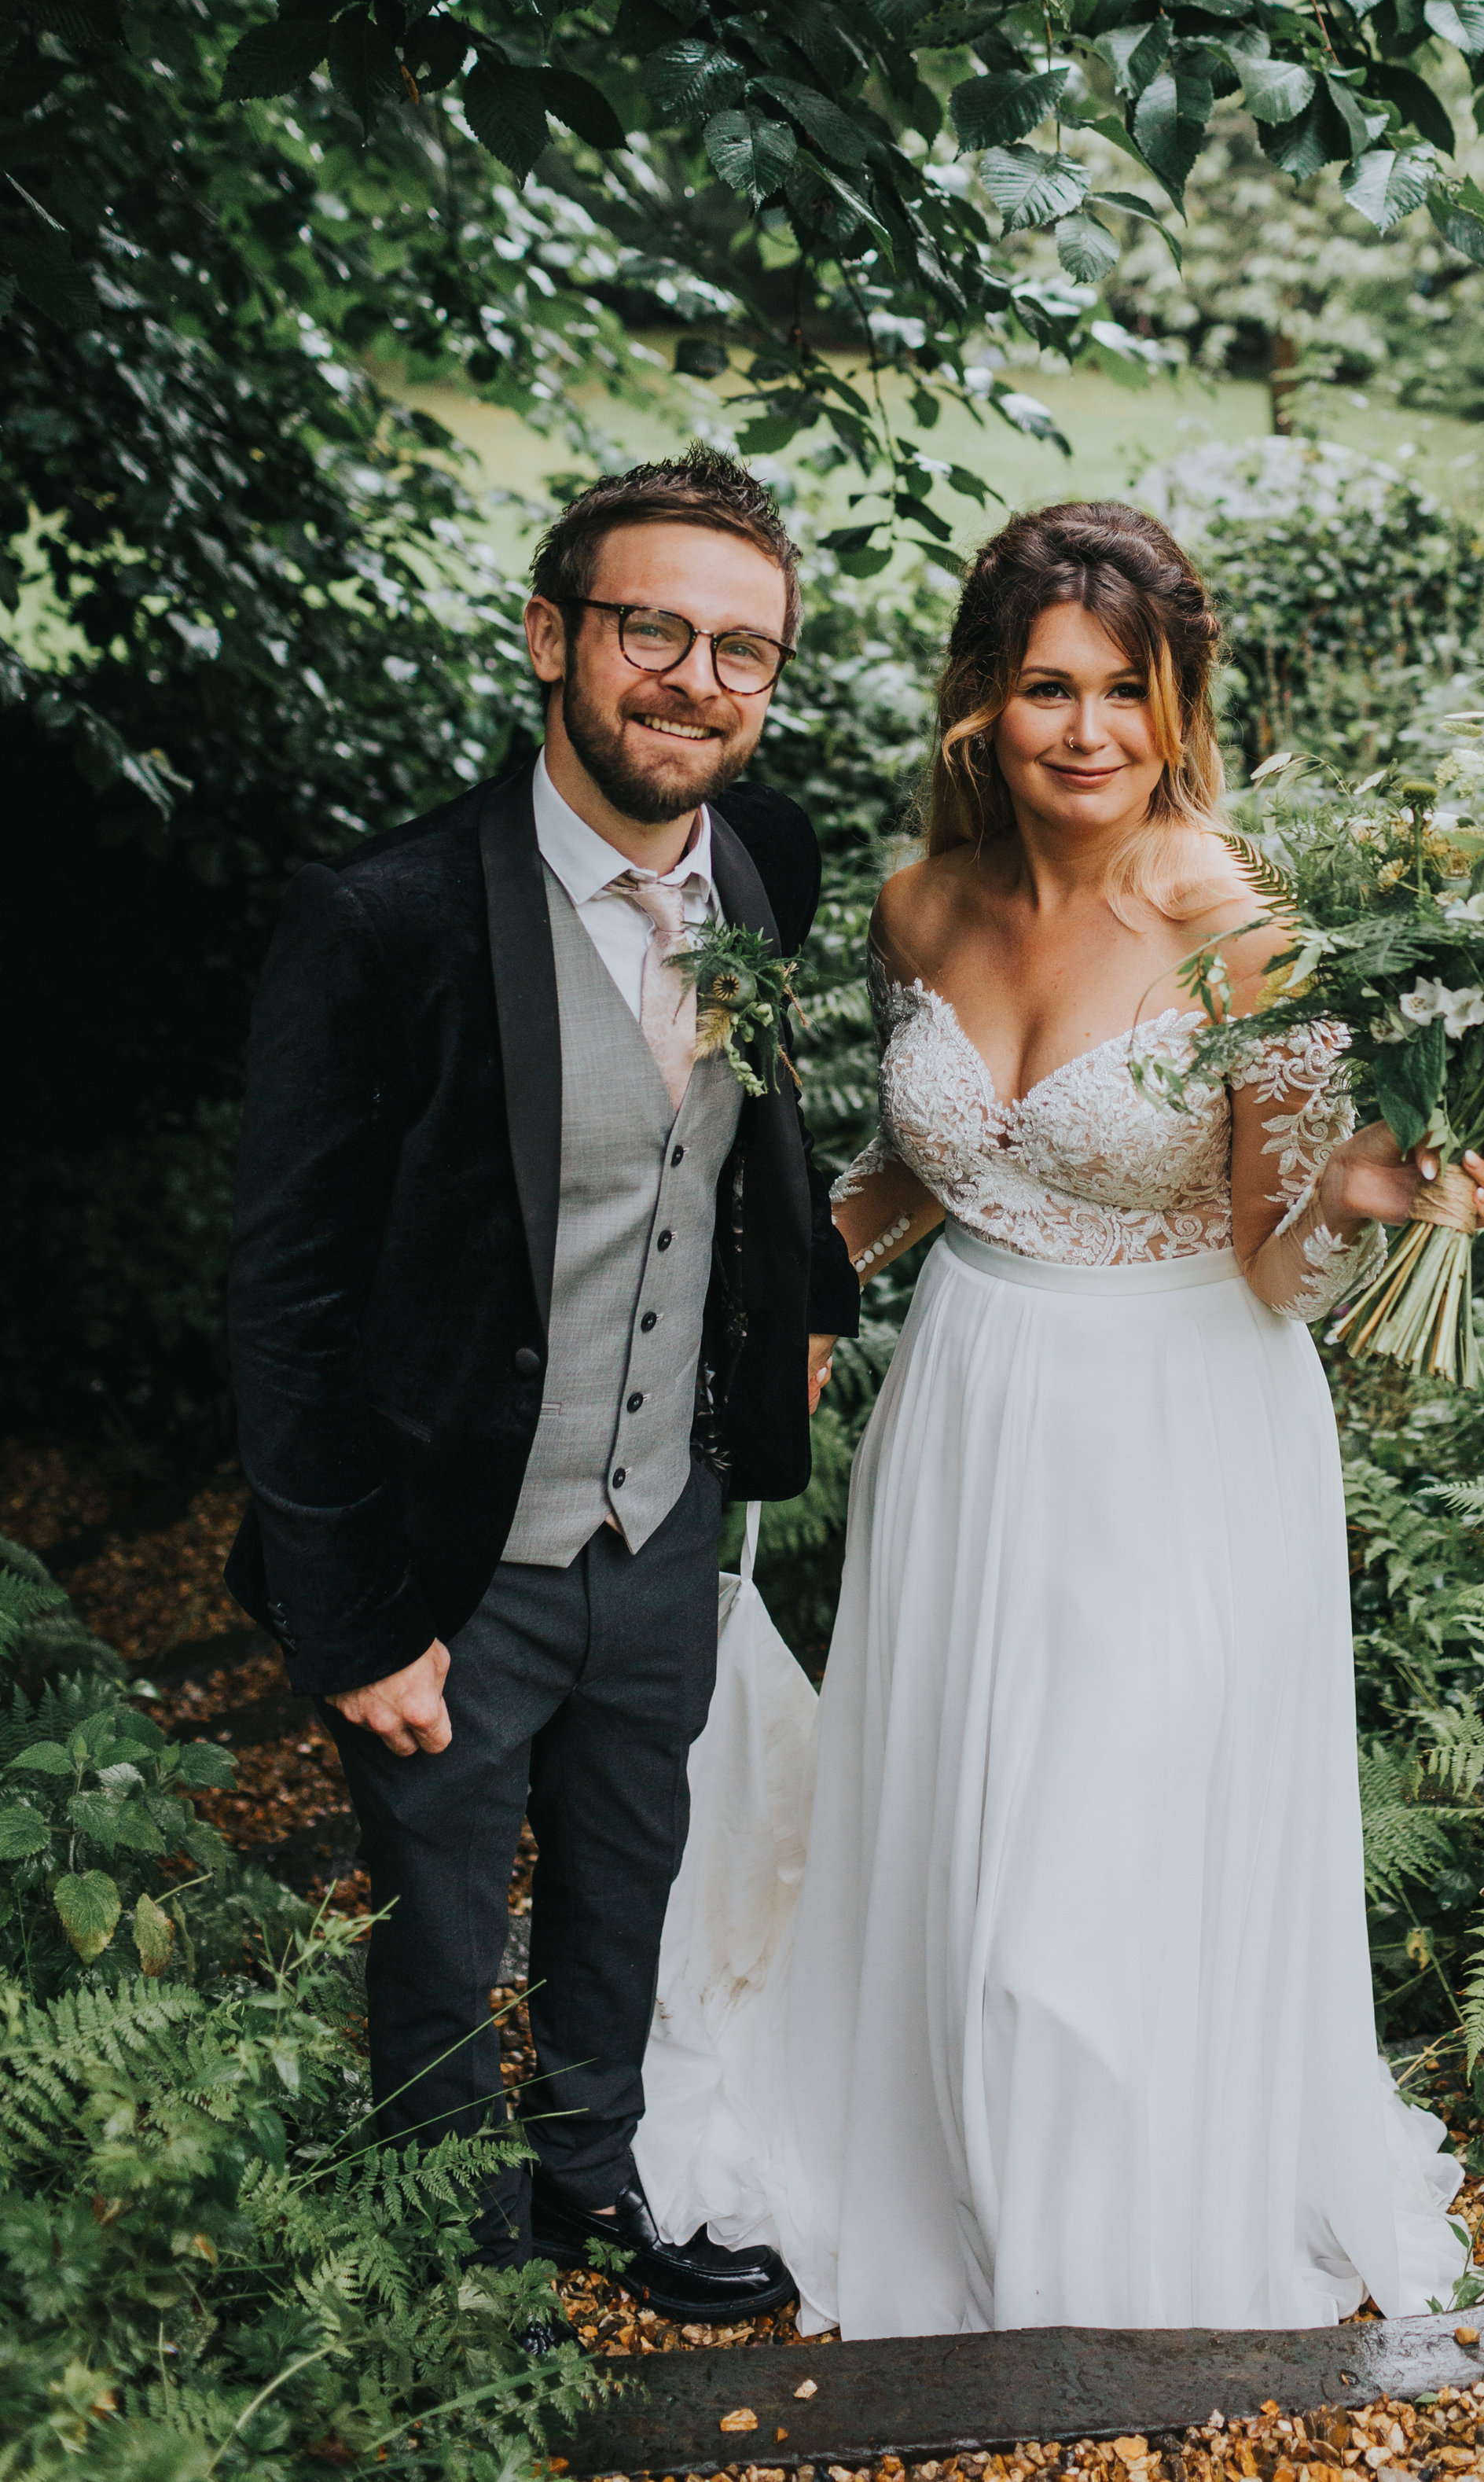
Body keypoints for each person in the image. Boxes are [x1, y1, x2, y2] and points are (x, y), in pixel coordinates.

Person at [634, 498, 1484, 2337]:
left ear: (1177, 701)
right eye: (1047, 687)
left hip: (1177, 1434)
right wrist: (781, 1297)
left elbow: (1275, 1266)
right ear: (983, 702)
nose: (1088, 730)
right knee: (964, 1835)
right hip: (966, 1417)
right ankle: (944, 2175)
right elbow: (919, 1172)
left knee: (1087, 1873)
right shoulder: (915, 908)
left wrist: (1369, 1198)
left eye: (1127, 690)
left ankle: (1101, 2258)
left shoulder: (1237, 927)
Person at [225, 447, 858, 2322]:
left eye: (743, 651)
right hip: (450, 1547)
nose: (695, 679)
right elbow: (285, 1297)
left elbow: (760, 1142)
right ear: (550, 637)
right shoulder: (385, 917)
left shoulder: (765, 862)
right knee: (431, 1923)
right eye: (652, 627)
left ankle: (592, 2183)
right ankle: (445, 2258)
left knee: (625, 1874)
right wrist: (350, 1619)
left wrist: (799, 1293)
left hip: (655, 1520)